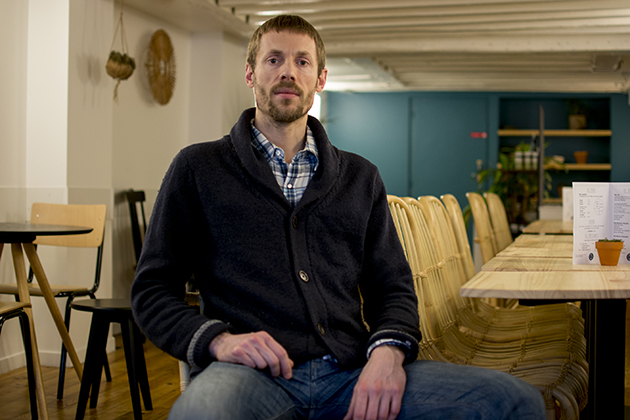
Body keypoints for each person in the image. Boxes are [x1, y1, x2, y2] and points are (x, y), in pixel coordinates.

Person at [131, 14, 545, 420]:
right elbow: (152, 291)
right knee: (200, 413)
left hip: (351, 372)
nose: (288, 72)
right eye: (273, 59)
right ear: (250, 74)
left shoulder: (360, 177)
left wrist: (387, 355)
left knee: (514, 402)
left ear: (320, 79)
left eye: (302, 61)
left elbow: (394, 288)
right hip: (248, 377)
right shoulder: (198, 168)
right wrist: (219, 342)